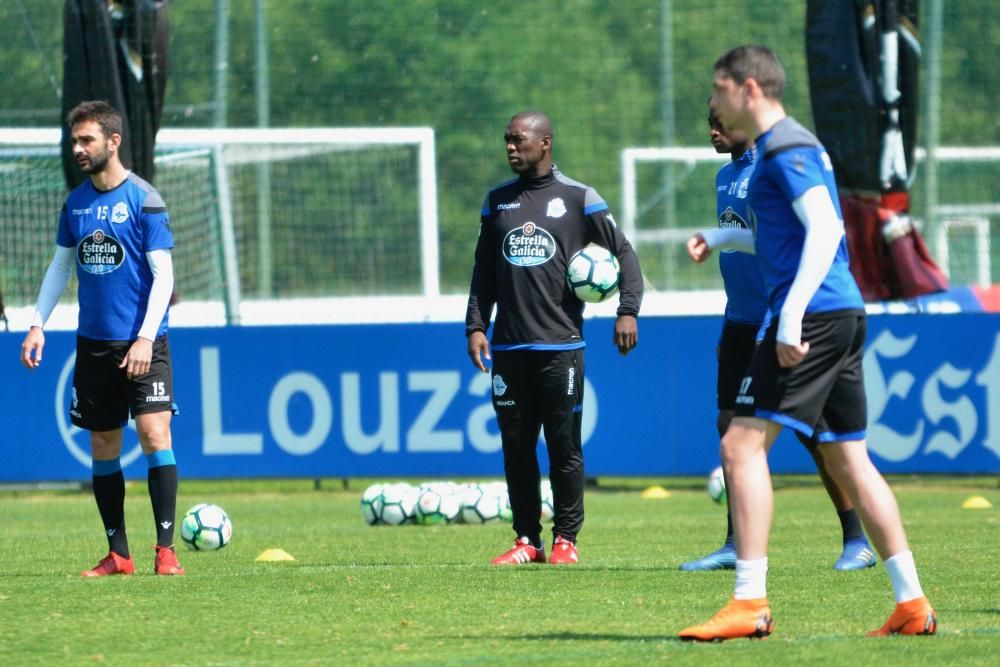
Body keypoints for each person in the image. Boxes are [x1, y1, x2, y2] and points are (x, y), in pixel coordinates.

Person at [679, 46, 936, 640]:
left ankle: (748, 602)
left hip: (814, 314)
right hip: (839, 310)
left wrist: (791, 314)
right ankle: (911, 602)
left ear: (748, 89)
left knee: (741, 447)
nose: (714, 104)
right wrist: (718, 238)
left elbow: (825, 228)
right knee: (851, 458)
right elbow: (786, 235)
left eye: (718, 91)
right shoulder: (785, 146)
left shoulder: (787, 145)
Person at [679, 103, 876, 572]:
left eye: (719, 120)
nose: (713, 130)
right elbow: (743, 244)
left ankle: (856, 539)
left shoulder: (771, 167)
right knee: (728, 423)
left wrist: (782, 317)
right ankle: (734, 542)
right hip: (739, 321)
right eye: (707, 121)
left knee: (819, 435)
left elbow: (785, 239)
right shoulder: (724, 178)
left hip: (780, 317)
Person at [465, 110, 642, 565]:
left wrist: (627, 310)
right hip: (509, 348)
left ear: (545, 143)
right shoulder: (497, 202)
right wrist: (476, 325)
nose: (510, 147)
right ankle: (528, 540)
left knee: (564, 447)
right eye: (506, 140)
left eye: (518, 140)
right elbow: (484, 271)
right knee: (517, 449)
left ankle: (567, 539)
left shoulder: (580, 198)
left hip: (561, 347)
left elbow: (623, 253)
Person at [20, 100, 183, 577]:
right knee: (104, 445)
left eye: (86, 139)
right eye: (74, 140)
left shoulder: (145, 199)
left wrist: (145, 339)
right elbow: (59, 266)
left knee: (155, 435)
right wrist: (37, 323)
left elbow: (164, 277)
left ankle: (166, 551)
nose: (78, 149)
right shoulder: (75, 204)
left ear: (113, 142)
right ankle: (119, 555)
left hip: (144, 342)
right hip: (93, 344)